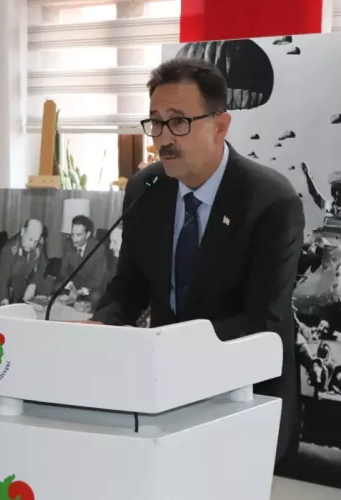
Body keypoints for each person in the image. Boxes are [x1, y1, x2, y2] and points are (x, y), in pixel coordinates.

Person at [90, 58, 305, 463]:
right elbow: (131, 284)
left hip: (242, 396)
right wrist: (101, 325)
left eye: (178, 122)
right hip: (164, 394)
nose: (163, 138)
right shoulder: (146, 187)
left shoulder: (271, 201)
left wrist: (169, 346)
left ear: (220, 126)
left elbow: (264, 322)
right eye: (155, 122)